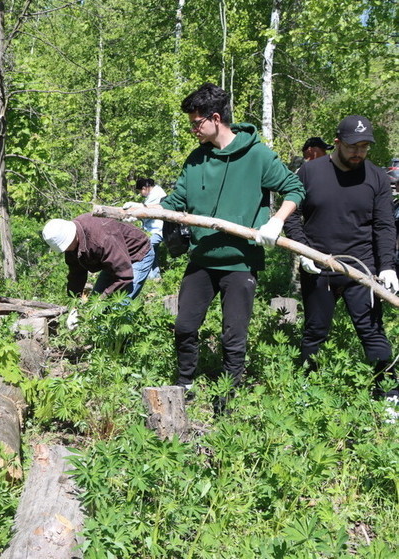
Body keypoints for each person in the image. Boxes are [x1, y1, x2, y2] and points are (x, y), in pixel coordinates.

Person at [152, 83, 305, 407]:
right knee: (184, 326)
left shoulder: (257, 155)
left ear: (216, 118)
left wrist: (276, 221)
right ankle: (185, 385)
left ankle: (226, 397)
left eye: (196, 123)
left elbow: (294, 188)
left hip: (240, 261)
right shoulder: (196, 159)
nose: (193, 129)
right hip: (203, 258)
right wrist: (148, 208)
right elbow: (178, 199)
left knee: (233, 336)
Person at [283, 115, 398, 414]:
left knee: (371, 330)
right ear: (337, 143)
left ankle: (387, 394)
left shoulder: (376, 177)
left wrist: (387, 265)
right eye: (352, 146)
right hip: (318, 264)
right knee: (315, 329)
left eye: (364, 146)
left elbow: (385, 225)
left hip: (362, 268)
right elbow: (292, 215)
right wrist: (303, 251)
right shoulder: (310, 172)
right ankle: (308, 391)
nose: (358, 152)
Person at [42, 213, 154, 302]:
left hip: (137, 254)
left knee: (118, 306)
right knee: (94, 302)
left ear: (71, 237)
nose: (66, 250)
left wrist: (102, 299)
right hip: (113, 260)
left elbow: (124, 276)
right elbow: (76, 274)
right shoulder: (71, 244)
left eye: (66, 246)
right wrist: (74, 302)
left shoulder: (102, 237)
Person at [123, 178, 165, 279]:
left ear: (144, 188)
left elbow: (146, 209)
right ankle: (156, 277)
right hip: (153, 229)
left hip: (158, 230)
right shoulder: (153, 193)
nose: (141, 194)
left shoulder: (157, 193)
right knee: (152, 251)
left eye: (140, 191)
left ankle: (147, 277)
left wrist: (132, 214)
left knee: (144, 248)